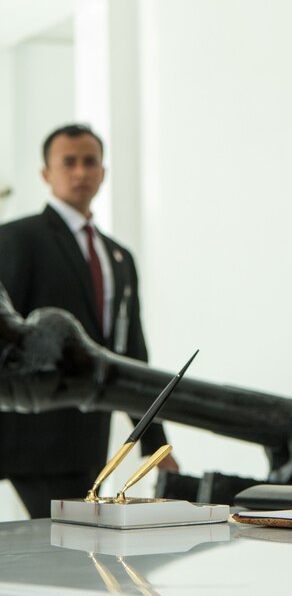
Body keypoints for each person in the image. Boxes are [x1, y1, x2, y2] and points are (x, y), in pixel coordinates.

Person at [0, 124, 178, 517]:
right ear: (46, 174)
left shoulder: (119, 257)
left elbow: (131, 351)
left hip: (89, 439)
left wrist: (153, 441)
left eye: (90, 162)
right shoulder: (17, 239)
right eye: (69, 163)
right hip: (32, 438)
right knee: (68, 547)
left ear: (103, 171)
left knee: (75, 550)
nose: (80, 172)